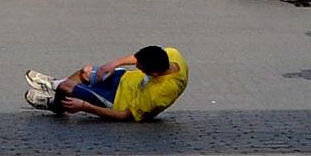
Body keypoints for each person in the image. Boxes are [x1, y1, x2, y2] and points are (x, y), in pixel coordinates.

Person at [24, 45, 189, 122]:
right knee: (86, 71)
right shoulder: (173, 55)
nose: (136, 65)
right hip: (123, 79)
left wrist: (84, 106)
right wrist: (113, 64)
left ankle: (55, 103)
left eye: (140, 67)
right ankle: (55, 84)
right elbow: (139, 57)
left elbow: (126, 116)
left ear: (154, 74)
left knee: (66, 87)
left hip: (115, 101)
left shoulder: (158, 94)